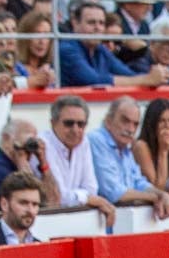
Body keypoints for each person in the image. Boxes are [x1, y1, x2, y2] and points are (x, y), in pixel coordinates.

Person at [89, 97, 169, 219]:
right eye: (125, 121)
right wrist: (157, 197)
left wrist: (162, 194)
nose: (131, 129)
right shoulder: (97, 140)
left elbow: (139, 183)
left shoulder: (125, 147)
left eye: (135, 124)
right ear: (108, 121)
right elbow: (115, 193)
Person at [41, 95, 117, 227]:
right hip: (48, 223)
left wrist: (82, 197)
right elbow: (60, 197)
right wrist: (87, 198)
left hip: (74, 220)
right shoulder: (43, 144)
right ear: (53, 123)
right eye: (69, 123)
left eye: (81, 124)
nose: (75, 130)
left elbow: (92, 188)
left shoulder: (83, 142)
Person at [60, 2, 168, 88]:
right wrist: (146, 79)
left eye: (101, 23)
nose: (97, 28)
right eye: (91, 23)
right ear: (75, 23)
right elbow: (93, 81)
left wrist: (155, 76)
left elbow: (128, 74)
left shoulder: (101, 49)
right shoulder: (67, 48)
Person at [0, 118, 60, 205]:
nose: (31, 146)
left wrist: (43, 163)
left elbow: (54, 202)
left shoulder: (22, 166)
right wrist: (21, 161)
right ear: (6, 138)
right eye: (29, 139)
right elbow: (35, 203)